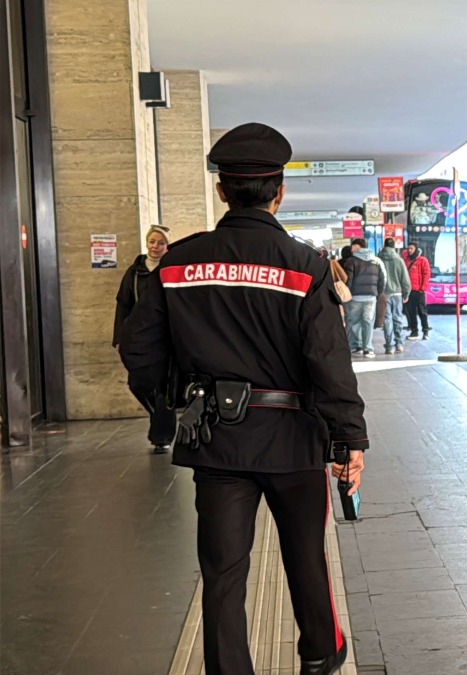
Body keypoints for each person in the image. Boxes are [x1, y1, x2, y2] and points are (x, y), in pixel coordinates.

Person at [119, 123, 367, 675]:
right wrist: (349, 437)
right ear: (279, 191)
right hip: (295, 439)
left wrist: (172, 405)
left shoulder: (179, 264)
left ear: (221, 191)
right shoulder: (304, 267)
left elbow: (138, 350)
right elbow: (330, 362)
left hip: (218, 440)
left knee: (223, 571)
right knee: (306, 555)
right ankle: (321, 653)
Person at [112, 225, 175, 454]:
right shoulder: (134, 272)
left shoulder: (170, 270)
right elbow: (123, 304)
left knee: (163, 387)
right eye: (152, 242)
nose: (155, 247)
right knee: (137, 383)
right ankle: (158, 417)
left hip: (165, 338)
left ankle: (162, 436)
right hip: (139, 337)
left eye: (160, 243)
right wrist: (119, 337)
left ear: (167, 246)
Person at [340, 237, 387, 357]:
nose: (351, 249)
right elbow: (383, 279)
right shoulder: (376, 261)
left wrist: (347, 294)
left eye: (353, 247)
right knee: (368, 322)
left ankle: (357, 346)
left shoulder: (351, 261)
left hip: (355, 296)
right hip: (371, 297)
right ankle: (368, 349)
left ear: (357, 247)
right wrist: (377, 293)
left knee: (353, 321)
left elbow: (348, 280)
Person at [376, 238, 411, 354]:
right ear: (393, 246)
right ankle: (399, 344)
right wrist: (406, 293)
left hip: (383, 294)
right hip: (397, 293)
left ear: (384, 246)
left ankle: (389, 346)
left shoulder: (378, 259)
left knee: (387, 319)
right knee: (398, 318)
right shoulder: (399, 260)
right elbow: (405, 279)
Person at [403, 243, 432, 340]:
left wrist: (422, 288)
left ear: (416, 249)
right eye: (408, 248)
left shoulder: (422, 260)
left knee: (422, 312)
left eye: (411, 248)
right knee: (411, 312)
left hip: (419, 291)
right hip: (409, 291)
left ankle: (425, 331)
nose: (409, 250)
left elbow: (426, 274)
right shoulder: (406, 260)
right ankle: (414, 331)